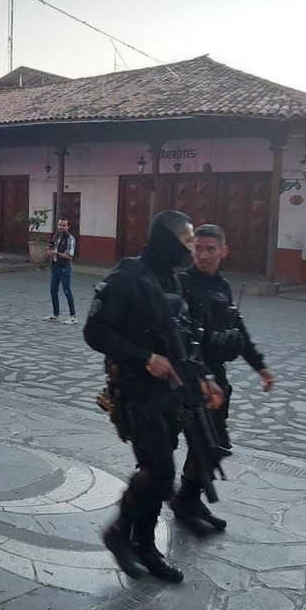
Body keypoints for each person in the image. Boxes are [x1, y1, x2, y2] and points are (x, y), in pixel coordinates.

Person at [84, 210, 221, 583]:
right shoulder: (126, 279)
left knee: (157, 471)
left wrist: (202, 378)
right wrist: (145, 357)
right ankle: (118, 533)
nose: (191, 249)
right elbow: (95, 333)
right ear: (165, 240)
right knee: (160, 473)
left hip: (169, 394)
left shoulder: (171, 282)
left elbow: (182, 340)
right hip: (135, 392)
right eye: (186, 241)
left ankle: (144, 545)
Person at [173, 224, 274, 533]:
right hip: (184, 376)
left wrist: (260, 367)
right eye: (198, 248)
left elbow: (238, 331)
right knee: (174, 443)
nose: (202, 254)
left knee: (212, 444)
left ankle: (188, 499)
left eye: (210, 249)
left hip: (215, 377)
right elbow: (176, 334)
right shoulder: (179, 284)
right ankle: (161, 505)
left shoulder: (223, 287)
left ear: (223, 251)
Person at [43, 218, 78, 324]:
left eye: (63, 225)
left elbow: (69, 256)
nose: (61, 227)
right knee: (53, 290)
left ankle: (73, 316)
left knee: (67, 291)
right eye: (59, 225)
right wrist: (48, 249)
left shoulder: (70, 238)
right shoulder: (56, 236)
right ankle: (55, 314)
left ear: (67, 227)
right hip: (55, 267)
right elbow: (51, 246)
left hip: (64, 268)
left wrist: (56, 253)